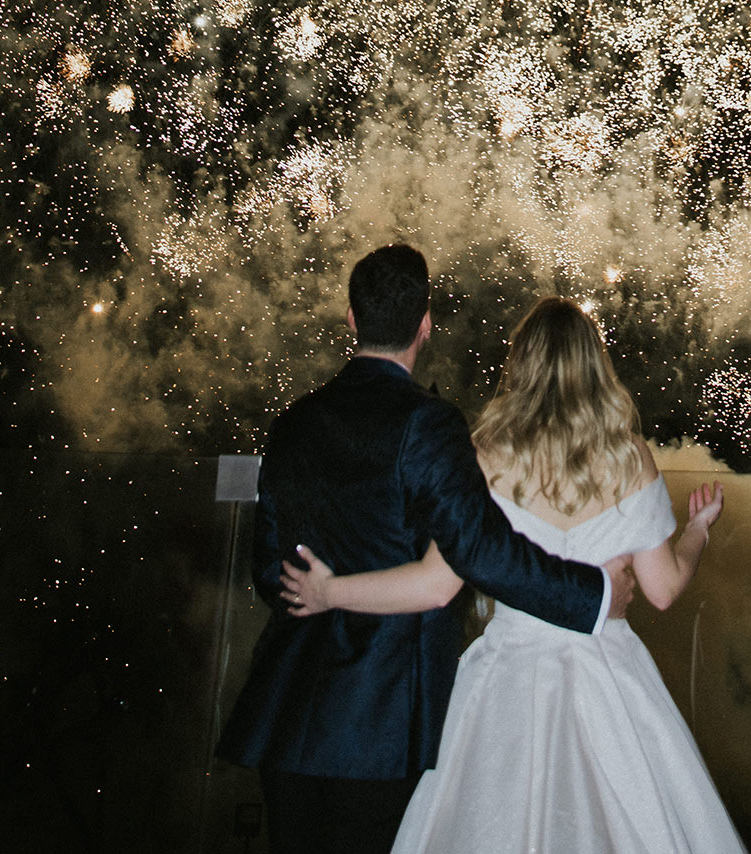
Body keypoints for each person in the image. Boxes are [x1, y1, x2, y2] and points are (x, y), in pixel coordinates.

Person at [282, 295, 747, 854]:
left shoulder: (486, 456)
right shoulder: (630, 457)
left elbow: (435, 584)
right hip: (611, 678)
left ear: (519, 365)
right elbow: (664, 590)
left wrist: (329, 590)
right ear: (595, 364)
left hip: (508, 674)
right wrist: (697, 530)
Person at [215, 248, 634, 854]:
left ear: (352, 319)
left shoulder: (294, 422)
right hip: (383, 722)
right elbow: (480, 550)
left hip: (288, 714)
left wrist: (326, 592)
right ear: (425, 324)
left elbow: (268, 569)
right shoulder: (430, 424)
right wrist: (592, 594)